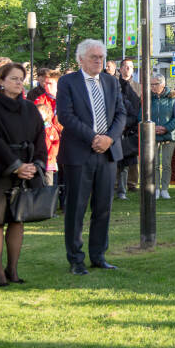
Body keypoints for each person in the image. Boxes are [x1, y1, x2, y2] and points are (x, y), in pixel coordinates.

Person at [57, 39, 126, 275]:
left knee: (103, 207)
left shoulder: (110, 82)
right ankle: (76, 258)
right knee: (76, 208)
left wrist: (108, 139)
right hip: (79, 153)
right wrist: (93, 138)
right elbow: (65, 115)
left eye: (101, 57)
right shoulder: (68, 82)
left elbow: (121, 114)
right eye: (94, 57)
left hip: (107, 154)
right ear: (81, 59)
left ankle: (98, 255)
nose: (99, 61)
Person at [0, 63, 47, 287]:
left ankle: (13, 268)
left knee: (18, 220)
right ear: (1, 81)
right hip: (1, 169)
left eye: (21, 79)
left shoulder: (30, 108)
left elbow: (40, 138)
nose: (19, 83)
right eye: (14, 79)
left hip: (27, 169)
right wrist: (15, 165)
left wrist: (35, 165)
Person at [150, 74, 175, 199]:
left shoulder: (173, 98)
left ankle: (165, 189)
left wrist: (166, 128)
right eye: (151, 84)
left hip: (169, 135)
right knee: (154, 164)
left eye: (155, 84)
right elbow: (141, 115)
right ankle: (156, 188)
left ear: (162, 84)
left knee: (167, 164)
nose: (152, 87)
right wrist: (153, 127)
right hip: (153, 135)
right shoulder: (148, 98)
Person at [119, 59, 140, 193]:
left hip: (133, 124)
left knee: (133, 154)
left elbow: (139, 107)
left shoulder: (138, 87)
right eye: (125, 67)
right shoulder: (115, 85)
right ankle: (118, 183)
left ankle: (132, 183)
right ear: (121, 69)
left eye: (130, 67)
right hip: (118, 125)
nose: (128, 69)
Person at [36, 103, 60, 186]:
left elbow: (56, 144)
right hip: (37, 161)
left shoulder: (51, 129)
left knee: (48, 182)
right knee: (38, 182)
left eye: (40, 114)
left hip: (49, 161)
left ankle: (48, 197)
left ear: (46, 115)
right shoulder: (35, 128)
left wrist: (50, 155)